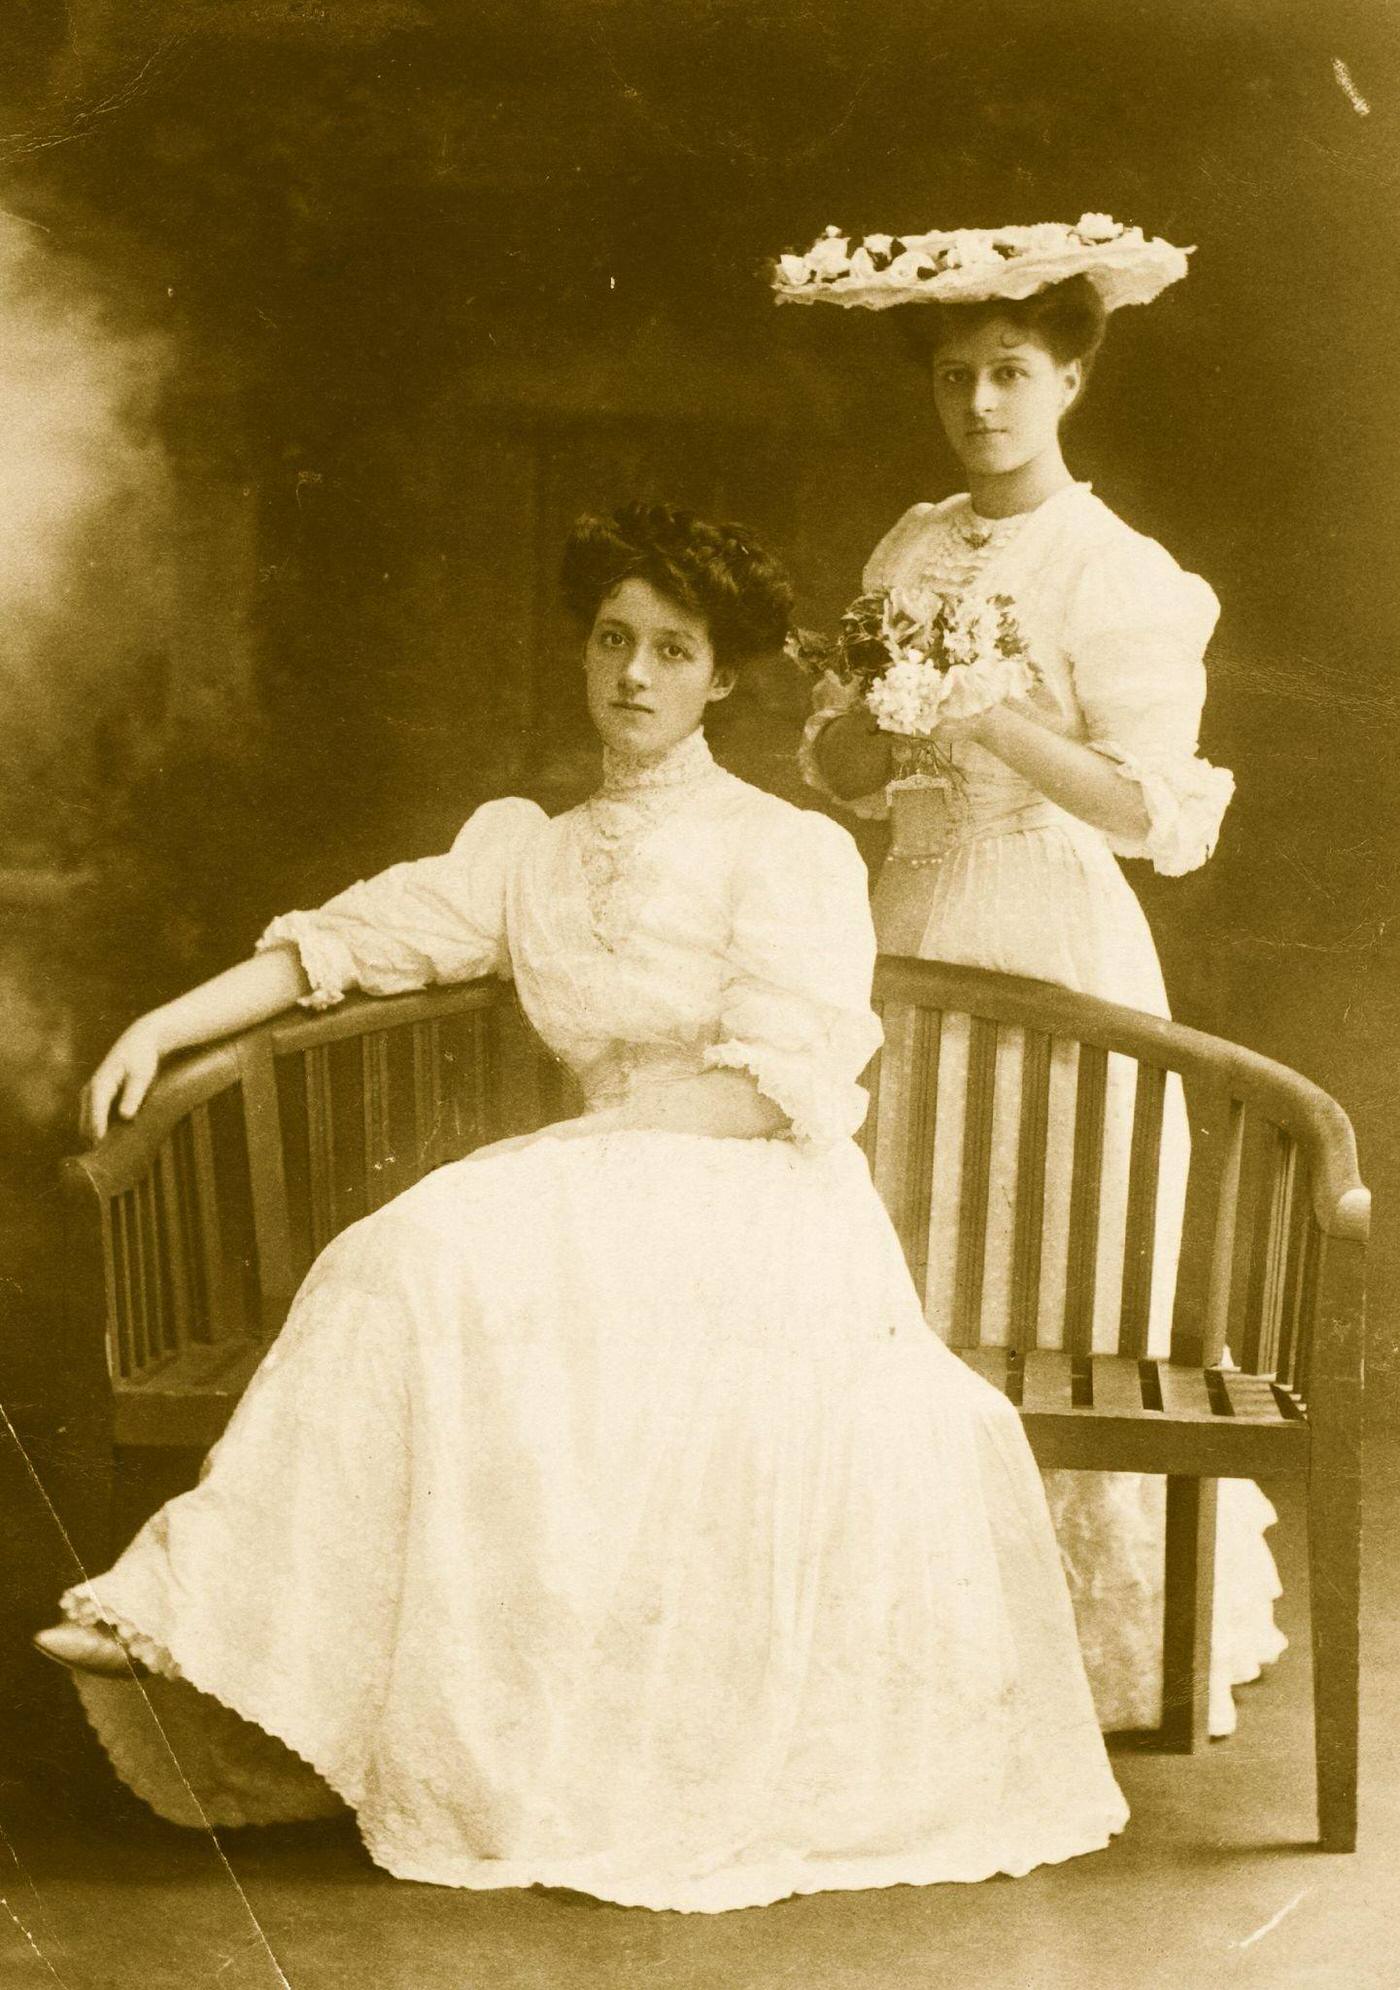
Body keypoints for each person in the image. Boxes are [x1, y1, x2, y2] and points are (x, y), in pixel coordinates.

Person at [36, 502, 1127, 1913]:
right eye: (613, 640)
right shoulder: (525, 853)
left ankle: (221, 1627)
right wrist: (165, 1021)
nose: (634, 675)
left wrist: (573, 1158)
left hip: (760, 1203)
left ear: (720, 677)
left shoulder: (783, 846)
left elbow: (777, 1080)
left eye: (672, 650)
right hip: (601, 1191)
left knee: (428, 1246)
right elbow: (346, 944)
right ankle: (223, 1642)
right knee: (410, 1260)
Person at [779, 217, 1284, 1735]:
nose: (981, 405)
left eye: (1011, 371)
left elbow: (1156, 815)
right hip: (910, 921)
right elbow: (852, 763)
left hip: (1052, 934)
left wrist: (990, 713)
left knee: (1058, 1272)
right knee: (900, 1270)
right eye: (954, 375)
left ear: (1070, 378)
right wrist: (873, 725)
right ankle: (910, 1644)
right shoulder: (910, 543)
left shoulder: (1119, 573)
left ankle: (1087, 1651)